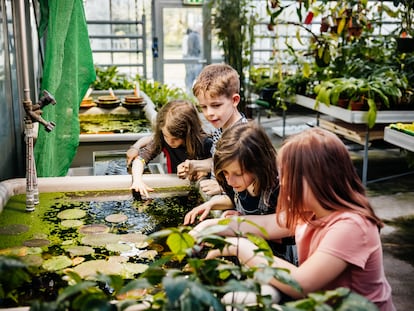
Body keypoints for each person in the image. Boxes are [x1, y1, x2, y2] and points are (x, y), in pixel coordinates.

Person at [190, 128, 395, 311]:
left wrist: (241, 248)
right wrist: (212, 225)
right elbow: (266, 225)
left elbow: (301, 283)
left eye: (288, 175)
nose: (283, 182)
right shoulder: (312, 213)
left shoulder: (352, 226)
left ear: (314, 180)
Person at [183, 121, 297, 264]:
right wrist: (216, 206)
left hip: (275, 260)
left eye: (238, 173)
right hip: (245, 252)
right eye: (225, 172)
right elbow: (238, 201)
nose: (230, 181)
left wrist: (241, 223)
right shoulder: (230, 180)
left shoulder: (277, 188)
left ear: (258, 165)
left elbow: (289, 233)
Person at [177, 63, 247, 196]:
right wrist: (195, 165)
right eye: (203, 107)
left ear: (235, 100)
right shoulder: (221, 129)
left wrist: (222, 187)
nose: (209, 113)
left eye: (216, 105)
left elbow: (249, 178)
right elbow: (218, 162)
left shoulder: (243, 137)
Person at [126, 100, 212, 198]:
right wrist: (137, 180)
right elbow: (140, 159)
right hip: (175, 188)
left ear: (189, 133)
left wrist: (203, 170)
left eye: (175, 139)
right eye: (166, 136)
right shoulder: (162, 139)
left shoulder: (205, 143)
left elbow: (217, 163)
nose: (170, 142)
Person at [184, 26, 202, 93]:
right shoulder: (195, 36)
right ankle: (190, 92)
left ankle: (189, 91)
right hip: (194, 58)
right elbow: (195, 48)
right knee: (192, 75)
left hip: (191, 58)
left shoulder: (192, 35)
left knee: (190, 75)